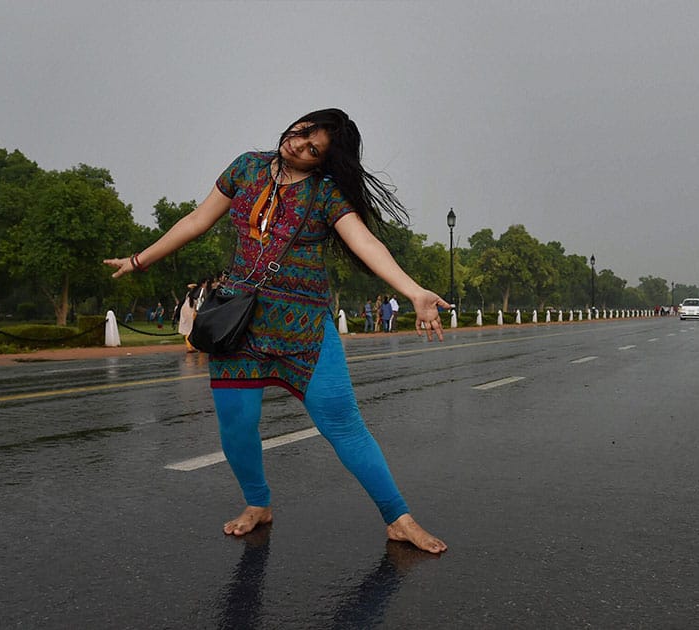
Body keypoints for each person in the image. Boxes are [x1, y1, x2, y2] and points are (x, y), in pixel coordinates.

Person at [104, 108, 448, 553]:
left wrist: (413, 289)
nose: (300, 145)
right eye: (302, 133)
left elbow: (365, 242)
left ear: (323, 161)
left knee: (343, 424)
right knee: (236, 424)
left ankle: (398, 517)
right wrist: (138, 260)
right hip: (238, 324)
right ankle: (257, 504)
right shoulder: (246, 166)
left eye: (313, 148)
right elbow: (196, 220)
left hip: (304, 328)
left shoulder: (326, 193)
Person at [178, 283, 199, 352]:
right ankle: (190, 347)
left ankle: (190, 346)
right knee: (190, 330)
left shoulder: (188, 295)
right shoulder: (195, 296)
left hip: (185, 312)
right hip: (190, 312)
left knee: (188, 330)